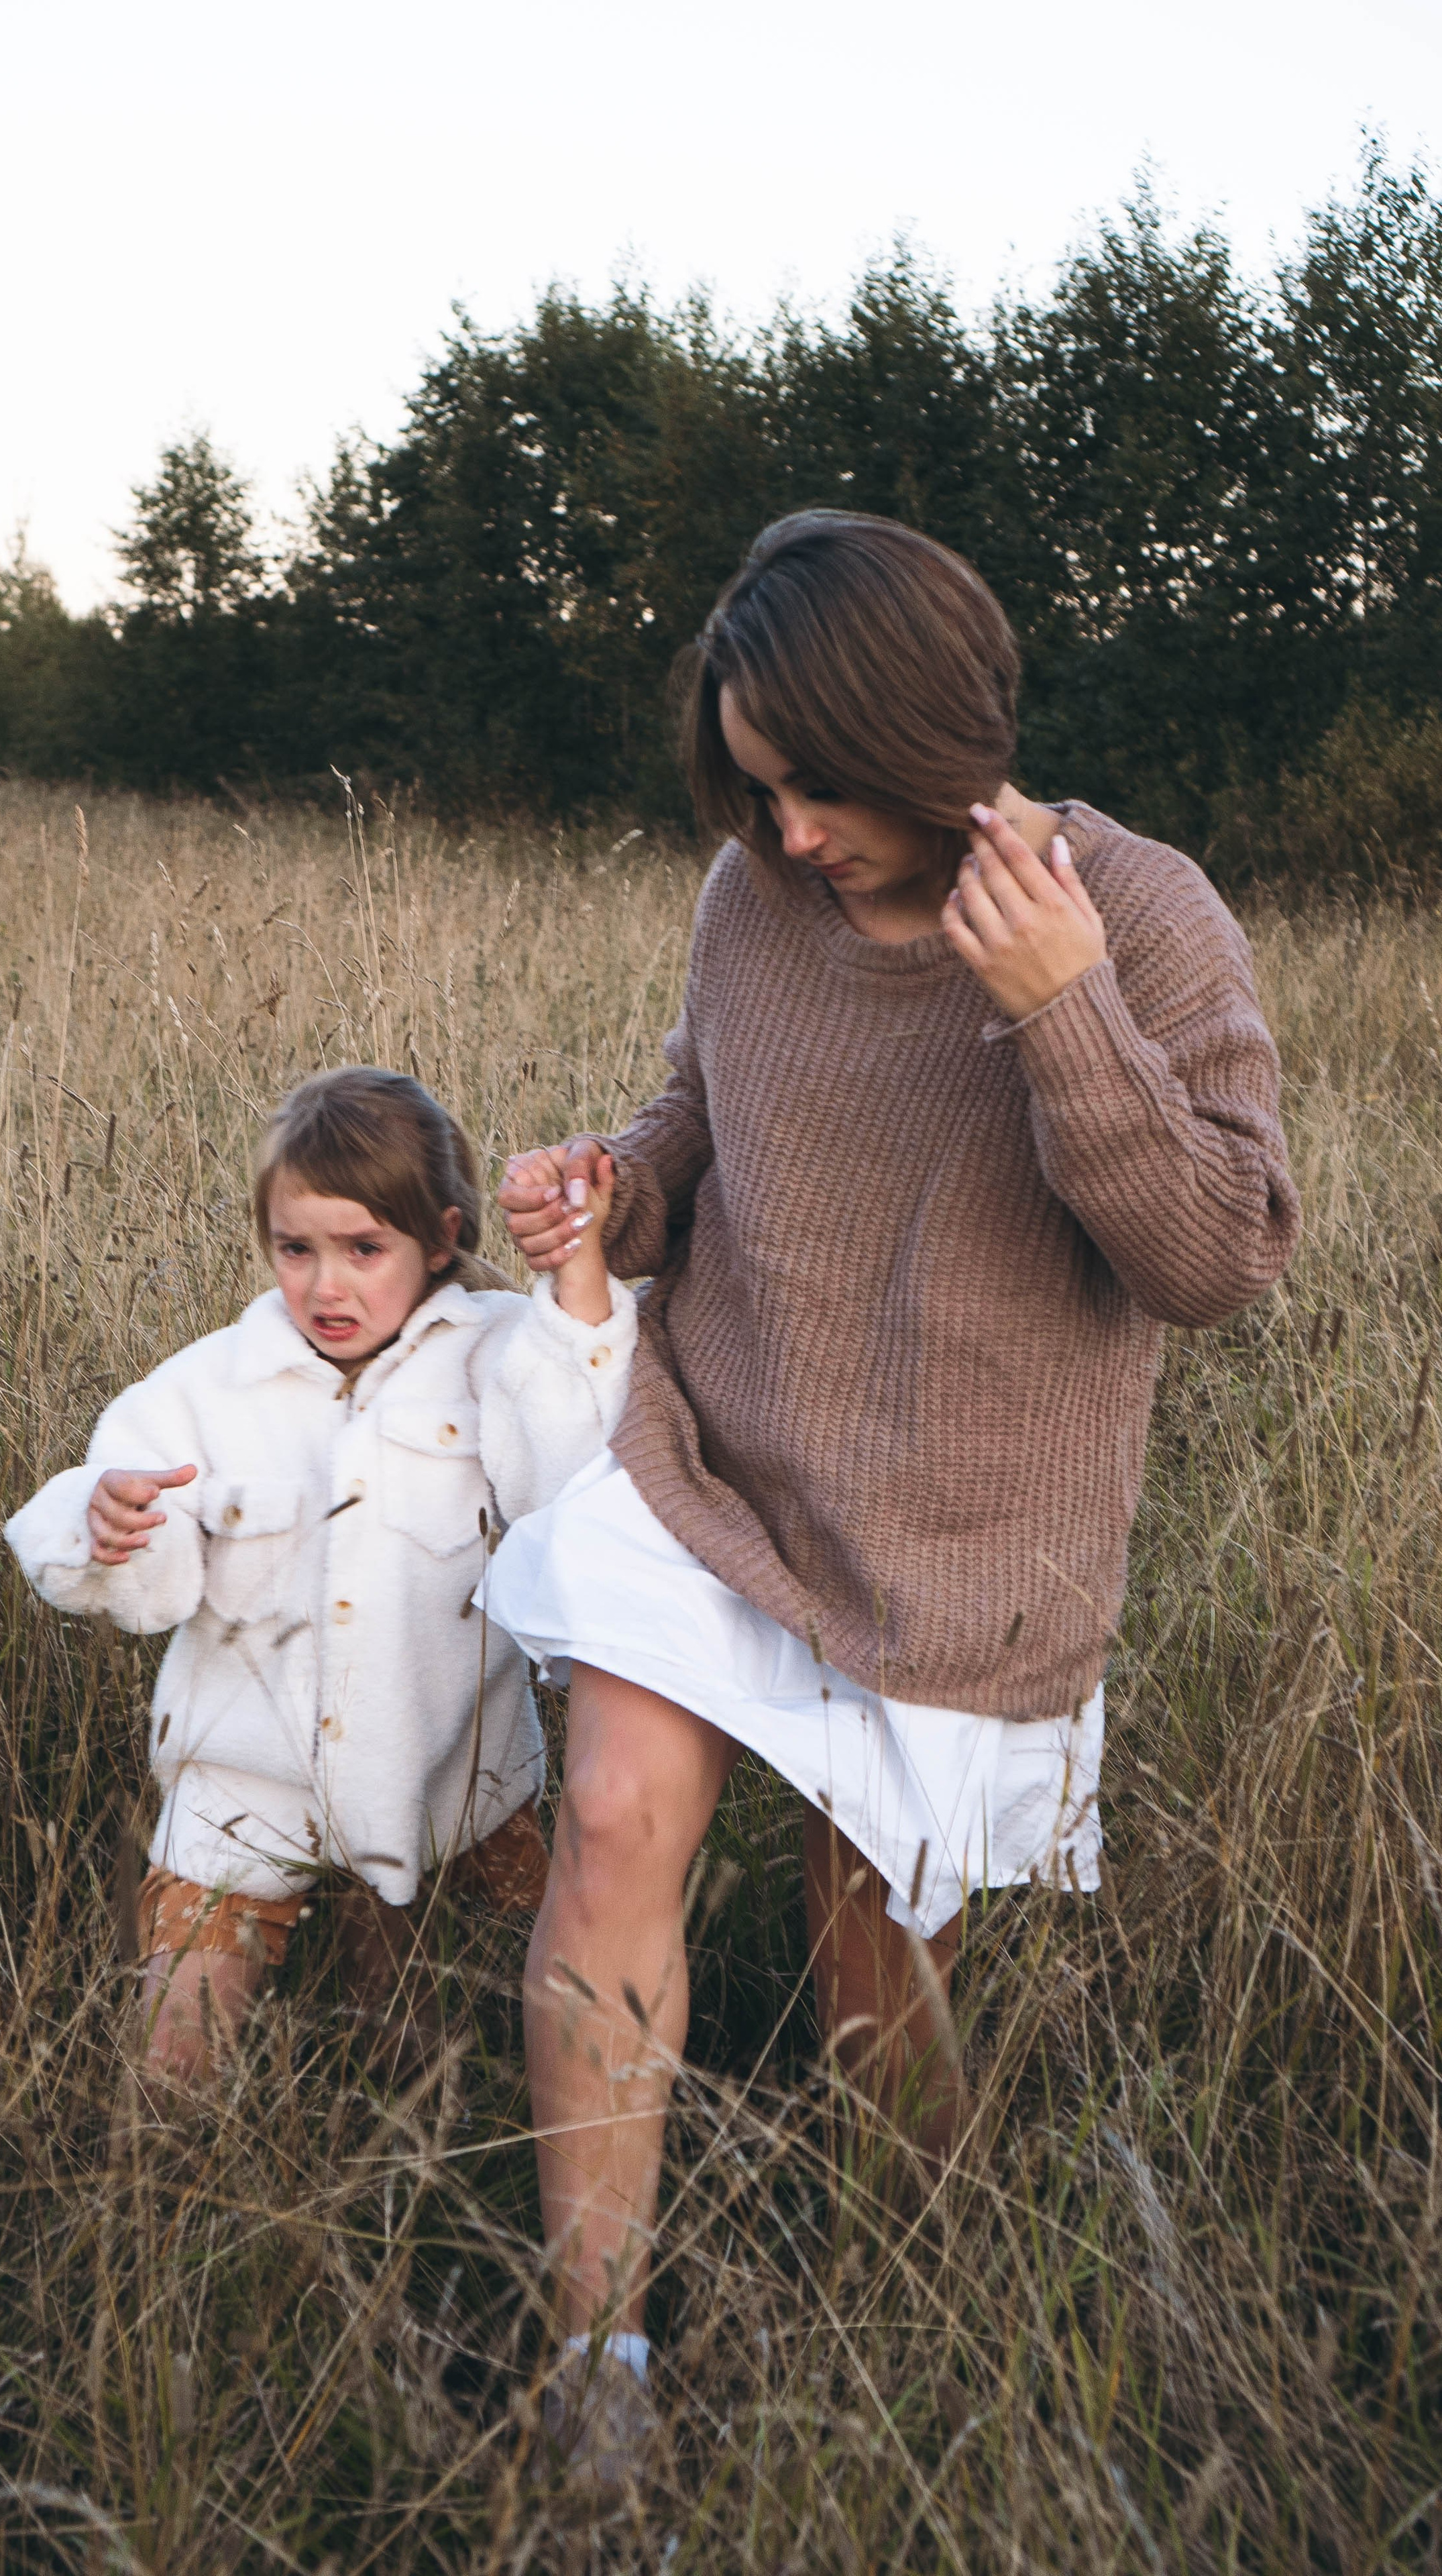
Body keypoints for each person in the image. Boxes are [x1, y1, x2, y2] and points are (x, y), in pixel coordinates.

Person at [490, 509, 1300, 2469]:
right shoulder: (750, 901)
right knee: (611, 1826)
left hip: (965, 1551)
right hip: (719, 1465)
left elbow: (1222, 1262)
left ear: (937, 732)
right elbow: (701, 1118)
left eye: (816, 789)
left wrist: (1058, 1006)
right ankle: (593, 2385)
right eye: (754, 790)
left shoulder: (1146, 913)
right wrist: (621, 1186)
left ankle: (946, 2293)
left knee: (876, 1968)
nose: (782, 837)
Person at [5, 1065, 634, 2083]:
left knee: (432, 2041)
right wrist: (109, 1521)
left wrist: (576, 1283)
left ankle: (414, 2150)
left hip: (454, 1780)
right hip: (242, 1790)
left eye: (362, 1250)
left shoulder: (499, 1355)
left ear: (440, 1237)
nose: (325, 1286)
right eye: (295, 1250)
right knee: (174, 2056)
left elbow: (566, 1474)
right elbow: (142, 1573)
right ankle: (161, 2203)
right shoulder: (214, 1387)